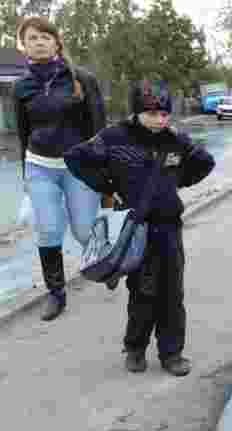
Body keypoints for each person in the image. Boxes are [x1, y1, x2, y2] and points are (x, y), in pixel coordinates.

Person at [64, 80, 216, 377]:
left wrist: (175, 183)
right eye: (152, 113)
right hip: (134, 229)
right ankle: (135, 348)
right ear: (136, 112)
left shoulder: (175, 139)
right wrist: (108, 187)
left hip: (168, 227)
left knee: (172, 293)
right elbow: (76, 159)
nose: (160, 120)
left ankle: (172, 353)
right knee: (143, 292)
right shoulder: (114, 137)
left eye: (164, 114)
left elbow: (205, 162)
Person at [14, 16, 107, 321]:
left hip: (78, 166)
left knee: (83, 230)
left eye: (44, 37)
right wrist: (26, 176)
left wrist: (105, 172)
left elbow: (99, 129)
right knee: (48, 229)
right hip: (39, 165)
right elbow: (24, 133)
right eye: (32, 38)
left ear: (56, 42)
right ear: (24, 46)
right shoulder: (22, 86)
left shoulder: (82, 79)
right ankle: (56, 294)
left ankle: (108, 264)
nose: (38, 42)